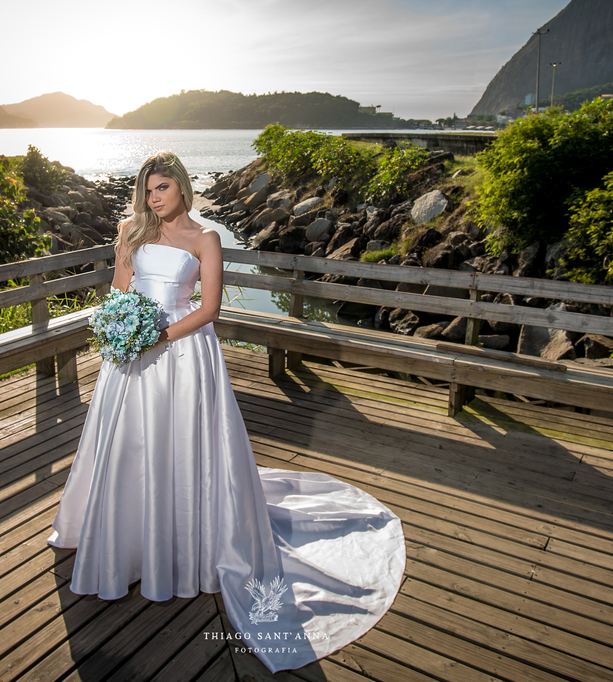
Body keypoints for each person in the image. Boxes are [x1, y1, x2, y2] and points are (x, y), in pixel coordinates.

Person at [47, 152, 405, 672]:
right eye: (149, 189)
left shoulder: (205, 239)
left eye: (163, 188)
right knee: (128, 446)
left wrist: (156, 336)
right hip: (130, 355)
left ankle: (187, 543)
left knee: (181, 448)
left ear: (183, 189)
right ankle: (123, 542)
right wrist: (121, 331)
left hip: (184, 352)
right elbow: (120, 293)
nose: (155, 198)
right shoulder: (129, 231)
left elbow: (209, 308)